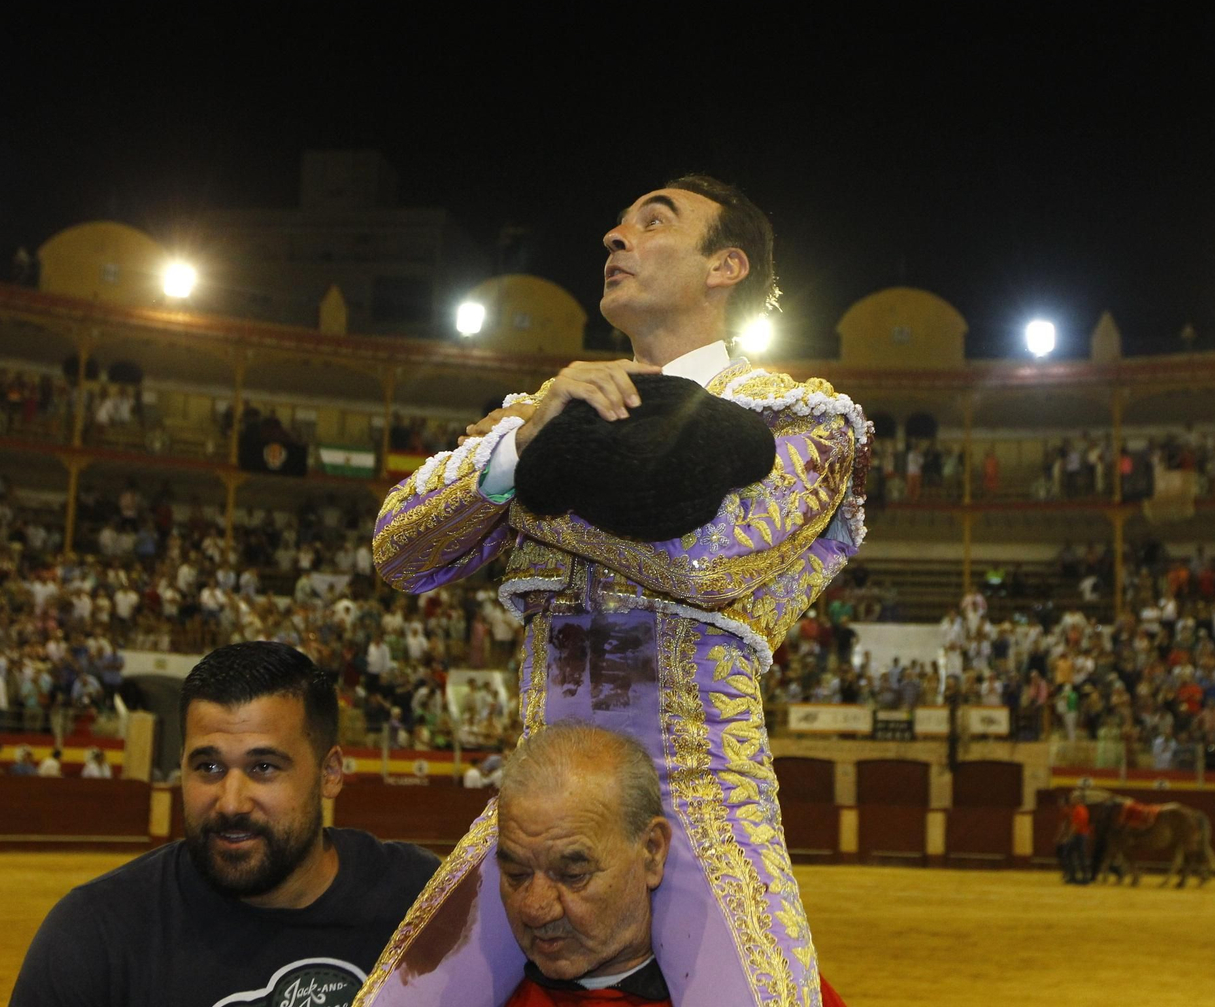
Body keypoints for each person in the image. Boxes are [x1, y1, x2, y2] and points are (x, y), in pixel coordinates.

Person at [365, 177, 868, 1006]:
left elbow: (708, 565)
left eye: (652, 221)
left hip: (701, 796)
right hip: (536, 813)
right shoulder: (544, 412)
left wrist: (521, 471)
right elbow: (401, 551)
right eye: (619, 222)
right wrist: (531, 442)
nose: (614, 235)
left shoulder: (805, 419)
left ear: (726, 265)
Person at [10, 641, 439, 1007]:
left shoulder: (424, 905)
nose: (231, 802)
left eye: (264, 767)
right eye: (209, 766)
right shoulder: (96, 935)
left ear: (330, 773)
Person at [488, 721, 846, 1007]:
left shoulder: (768, 990)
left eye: (573, 875)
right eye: (516, 874)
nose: (535, 909)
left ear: (652, 851)